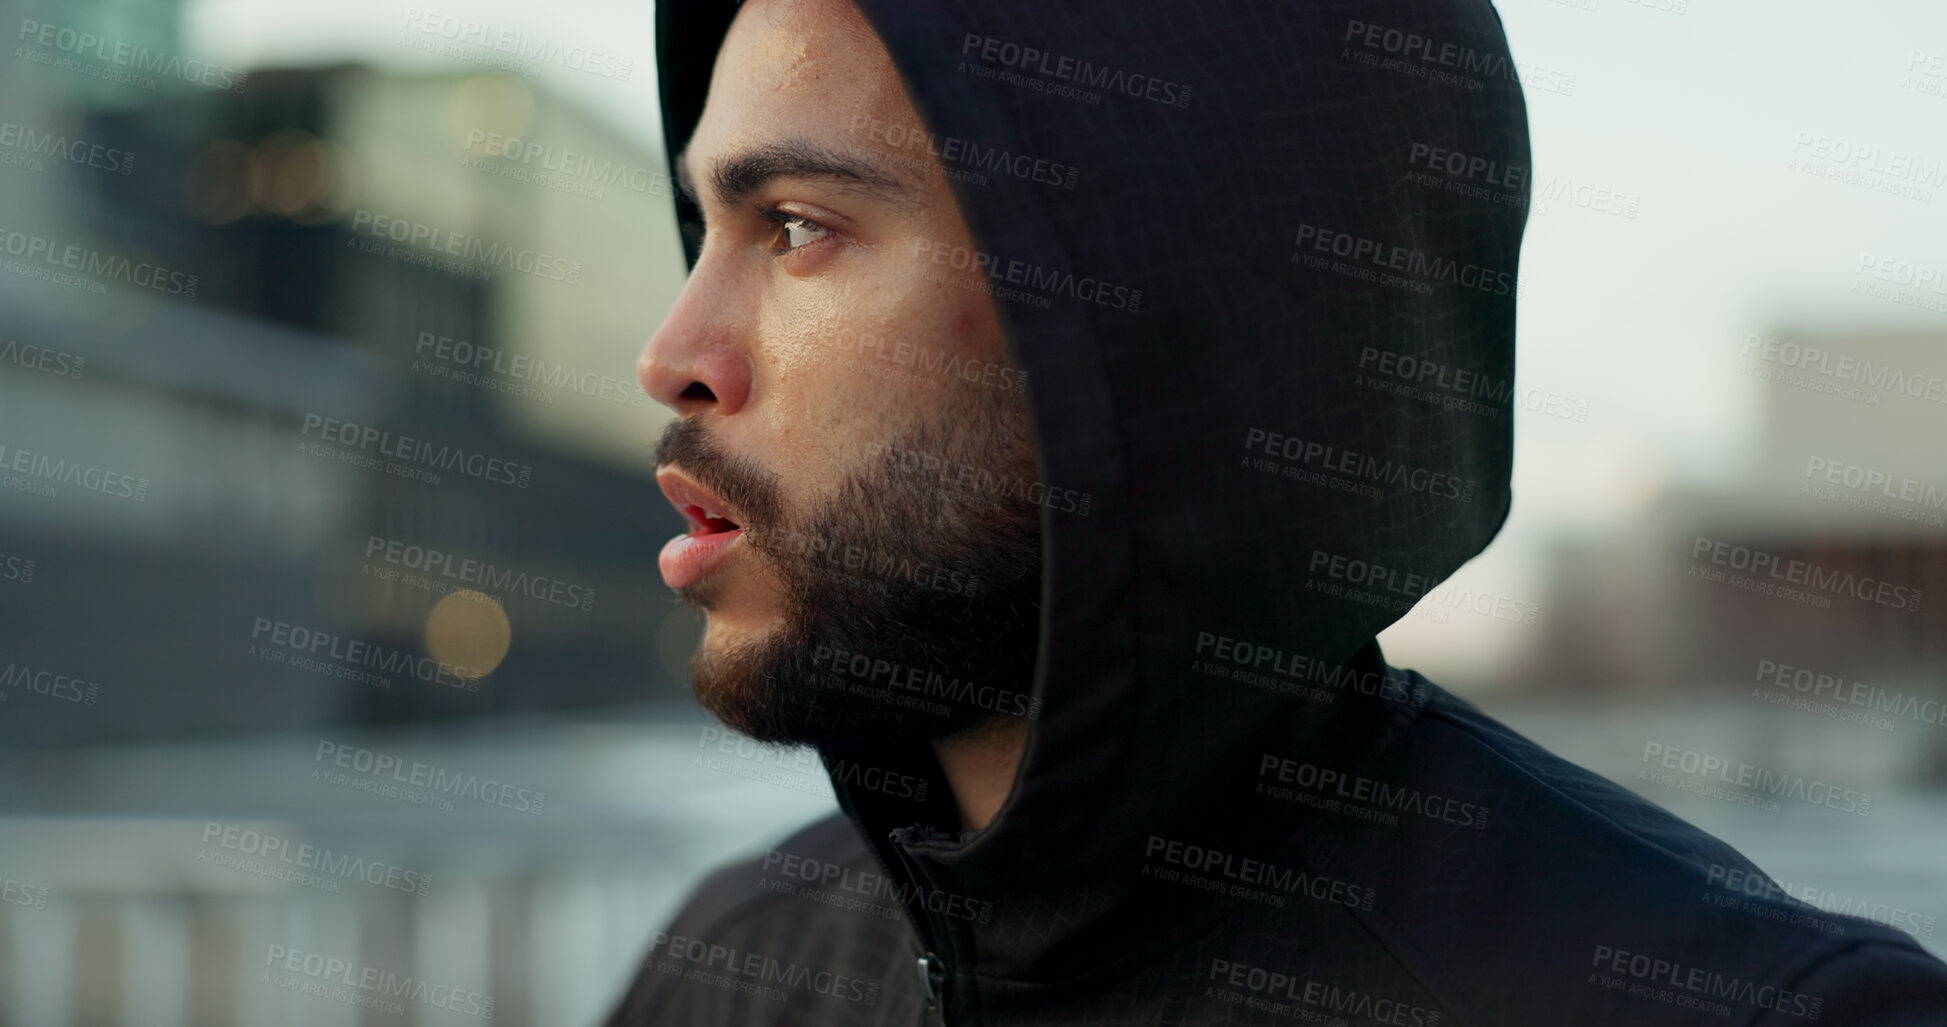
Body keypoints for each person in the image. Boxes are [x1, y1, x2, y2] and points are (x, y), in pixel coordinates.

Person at [606, 0, 1947, 1022]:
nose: (674, 350)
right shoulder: (736, 962)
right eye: (703, 226)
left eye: (794, 226)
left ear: (1144, 318)